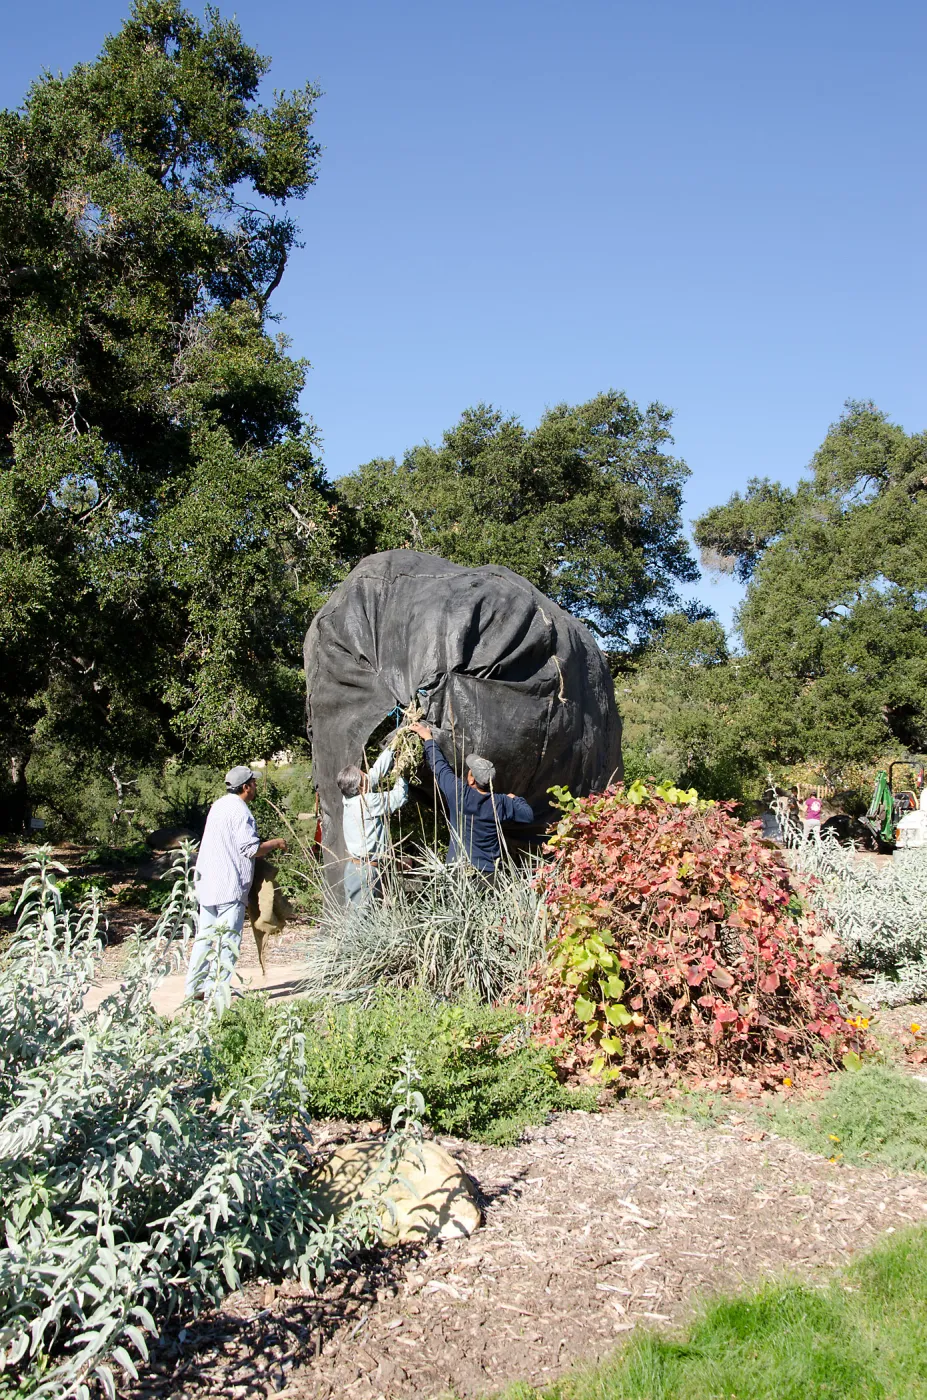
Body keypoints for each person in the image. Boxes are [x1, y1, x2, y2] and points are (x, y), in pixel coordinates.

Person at [185, 766, 287, 1000]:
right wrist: (275, 843)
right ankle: (218, 989)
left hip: (207, 882)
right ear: (245, 787)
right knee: (228, 939)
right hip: (229, 885)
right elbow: (251, 849)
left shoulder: (219, 805)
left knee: (205, 937)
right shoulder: (242, 812)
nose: (255, 787)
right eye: (253, 783)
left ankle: (194, 988)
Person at [409, 722, 534, 879]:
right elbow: (528, 815)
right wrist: (515, 799)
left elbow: (440, 767)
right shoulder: (500, 803)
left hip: (459, 872)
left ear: (471, 779)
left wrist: (427, 737)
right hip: (490, 875)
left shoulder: (459, 793)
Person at [337, 745, 409, 906]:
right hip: (366, 872)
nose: (368, 777)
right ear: (361, 787)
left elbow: (374, 774)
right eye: (364, 777)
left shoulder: (348, 798)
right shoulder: (367, 803)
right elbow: (400, 796)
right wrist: (402, 770)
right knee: (362, 920)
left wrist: (392, 749)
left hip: (356, 868)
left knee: (360, 916)